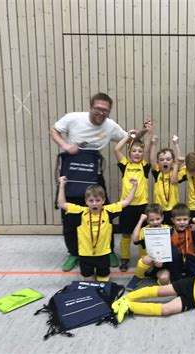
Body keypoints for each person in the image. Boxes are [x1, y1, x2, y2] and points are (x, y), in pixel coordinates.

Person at [50, 92, 127, 271]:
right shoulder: (73, 118)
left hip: (93, 174)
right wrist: (65, 146)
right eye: (98, 109)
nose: (101, 112)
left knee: (103, 215)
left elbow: (126, 138)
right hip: (72, 173)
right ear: (91, 107)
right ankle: (74, 253)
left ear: (109, 112)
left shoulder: (111, 126)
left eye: (105, 110)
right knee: (70, 217)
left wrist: (139, 134)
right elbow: (54, 130)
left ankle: (107, 250)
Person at [57, 176, 138, 281]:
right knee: (89, 281)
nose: (94, 203)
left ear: (103, 200)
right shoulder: (81, 212)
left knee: (103, 281)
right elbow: (62, 204)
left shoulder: (108, 211)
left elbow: (127, 202)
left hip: (103, 255)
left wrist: (134, 186)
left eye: (98, 200)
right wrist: (62, 185)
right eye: (91, 200)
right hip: (85, 255)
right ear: (86, 201)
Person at [114, 130, 152, 272]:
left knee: (142, 233)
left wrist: (149, 132)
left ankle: (143, 258)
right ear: (130, 152)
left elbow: (148, 149)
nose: (137, 153)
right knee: (126, 234)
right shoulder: (125, 165)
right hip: (127, 205)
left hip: (142, 206)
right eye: (134, 151)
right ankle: (125, 258)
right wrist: (128, 137)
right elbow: (117, 149)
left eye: (140, 151)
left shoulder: (144, 166)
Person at [126, 204, 171, 291]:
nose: (155, 222)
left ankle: (158, 278)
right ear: (147, 220)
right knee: (148, 258)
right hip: (148, 265)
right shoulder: (144, 230)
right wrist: (140, 220)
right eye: (151, 220)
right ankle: (137, 277)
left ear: (162, 217)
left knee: (164, 279)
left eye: (158, 219)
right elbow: (135, 239)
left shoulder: (167, 229)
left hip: (163, 263)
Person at [168, 203, 195, 281]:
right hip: (176, 262)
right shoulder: (169, 233)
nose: (182, 222)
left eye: (185, 219)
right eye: (178, 220)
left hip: (191, 260)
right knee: (178, 283)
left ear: (189, 219)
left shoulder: (192, 230)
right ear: (173, 220)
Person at [149, 135, 182, 225]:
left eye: (168, 159)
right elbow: (152, 160)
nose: (165, 161)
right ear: (158, 163)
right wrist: (153, 144)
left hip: (173, 208)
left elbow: (179, 160)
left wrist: (176, 144)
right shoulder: (157, 173)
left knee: (172, 232)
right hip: (159, 209)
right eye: (161, 160)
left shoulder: (174, 171)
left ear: (173, 162)